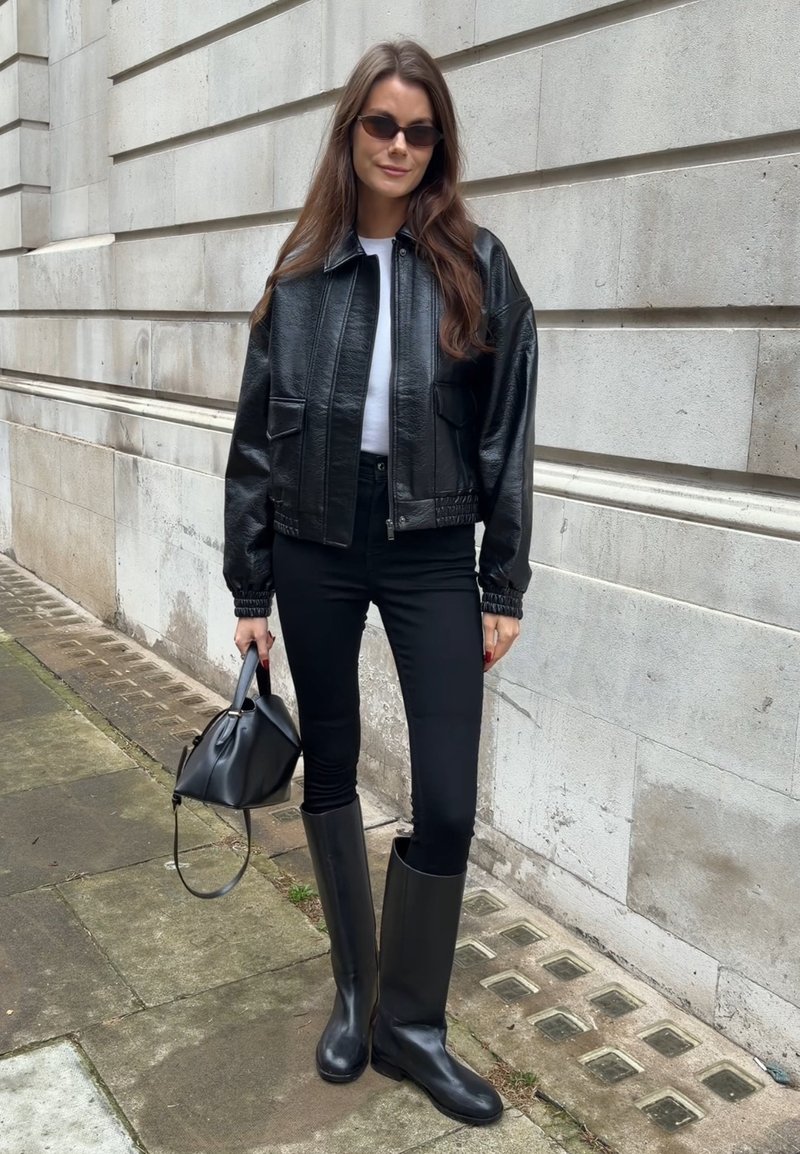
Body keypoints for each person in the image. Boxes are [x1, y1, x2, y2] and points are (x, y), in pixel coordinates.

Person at [223, 39, 537, 1127]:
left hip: (431, 544)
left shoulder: (477, 266)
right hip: (313, 540)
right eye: (380, 125)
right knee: (334, 756)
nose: (399, 145)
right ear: (350, 132)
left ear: (435, 144)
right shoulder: (300, 277)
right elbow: (256, 440)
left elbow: (505, 428)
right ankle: (357, 995)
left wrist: (502, 577)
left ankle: (414, 1022)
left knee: (446, 794)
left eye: (418, 130)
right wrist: (246, 590)